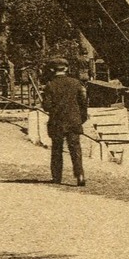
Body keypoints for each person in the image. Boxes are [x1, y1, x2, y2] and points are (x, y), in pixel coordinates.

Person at [42, 59, 88, 187]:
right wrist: (80, 119)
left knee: (57, 149)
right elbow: (83, 104)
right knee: (76, 149)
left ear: (52, 70)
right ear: (66, 69)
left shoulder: (50, 85)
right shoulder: (76, 83)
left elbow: (46, 106)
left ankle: (57, 177)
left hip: (57, 122)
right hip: (74, 121)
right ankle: (80, 176)